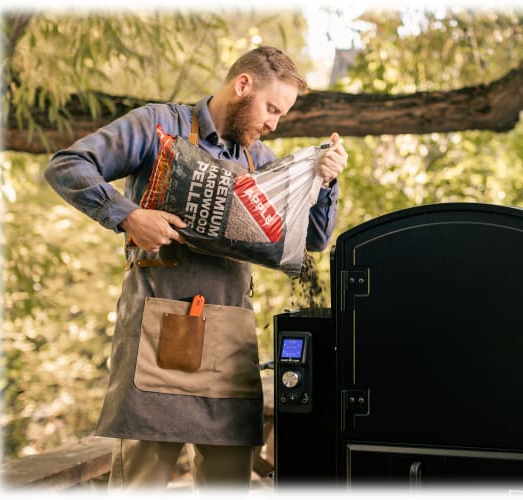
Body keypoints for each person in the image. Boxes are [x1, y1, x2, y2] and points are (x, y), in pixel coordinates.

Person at [44, 46, 347, 489]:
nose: (273, 124)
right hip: (157, 334)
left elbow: (313, 240)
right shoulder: (156, 125)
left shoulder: (260, 163)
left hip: (231, 340)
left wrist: (326, 181)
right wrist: (128, 215)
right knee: (140, 482)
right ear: (243, 85)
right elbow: (67, 165)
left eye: (281, 115)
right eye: (271, 109)